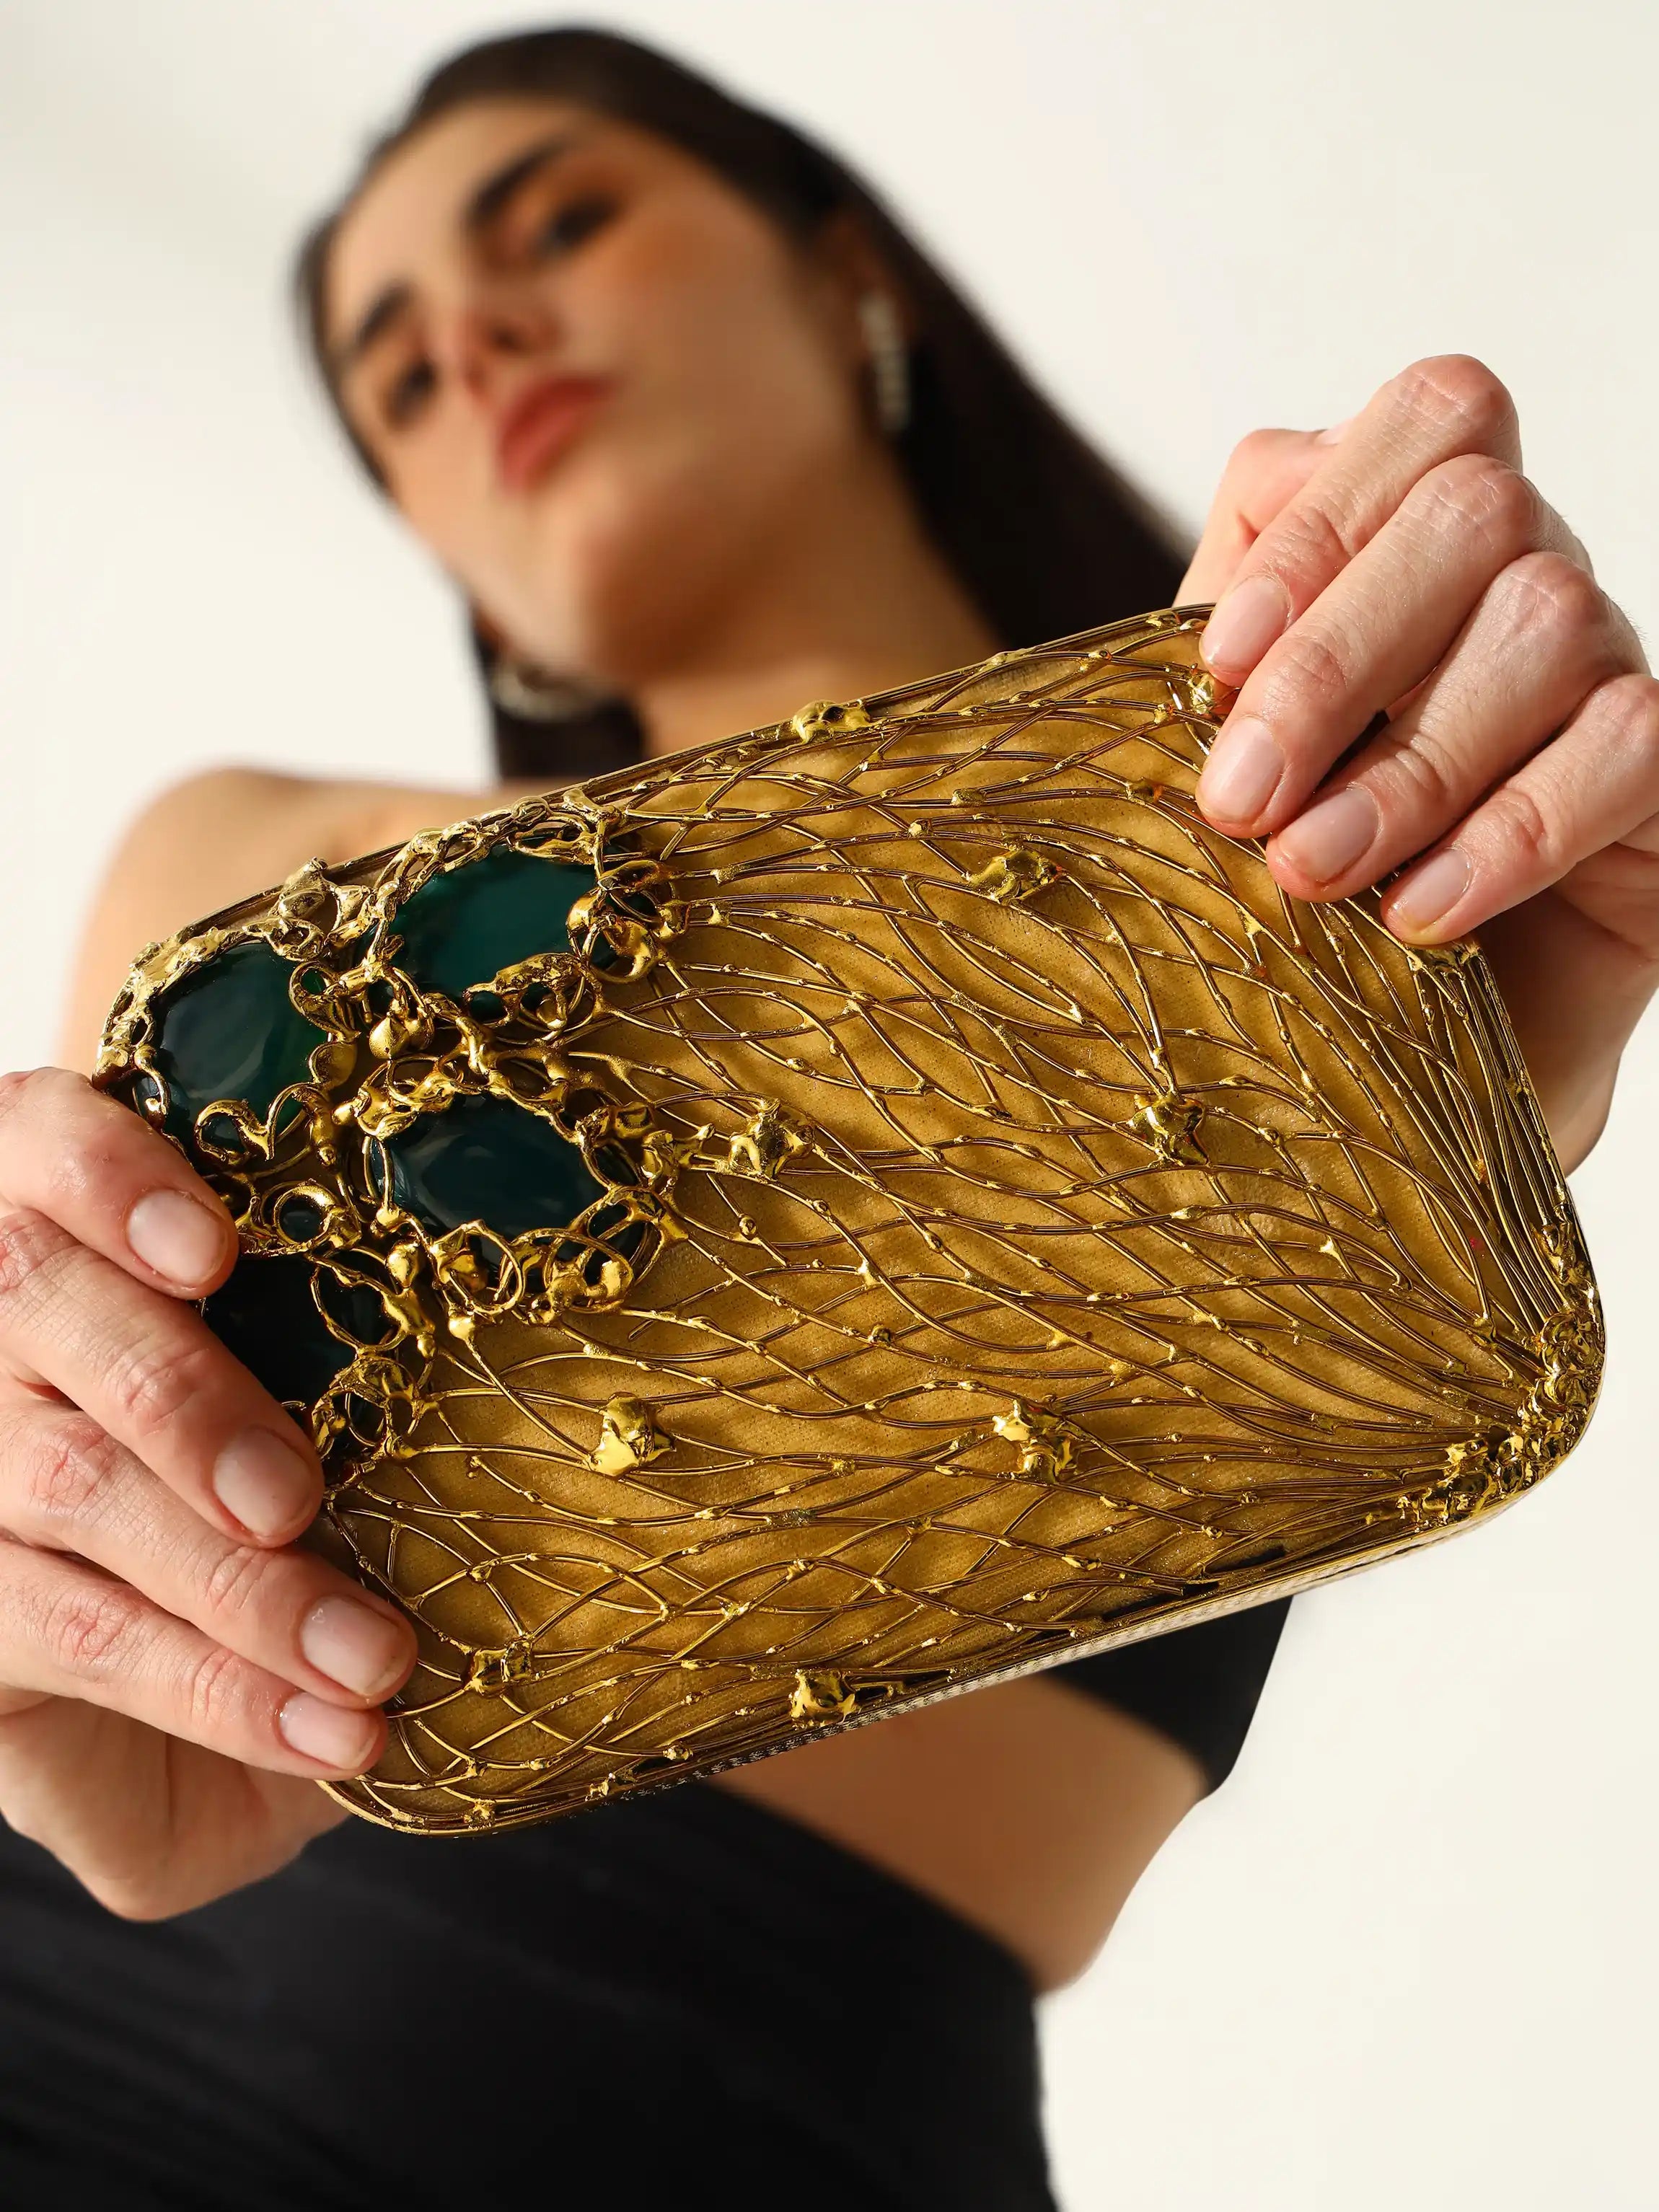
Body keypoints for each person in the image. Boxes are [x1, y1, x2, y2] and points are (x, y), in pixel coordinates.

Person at [1, 25, 1653, 2210]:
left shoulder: (1295, 892)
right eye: (394, 374)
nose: (470, 344)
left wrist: (1438, 1040)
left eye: (559, 223)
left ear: (848, 279)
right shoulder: (248, 892)